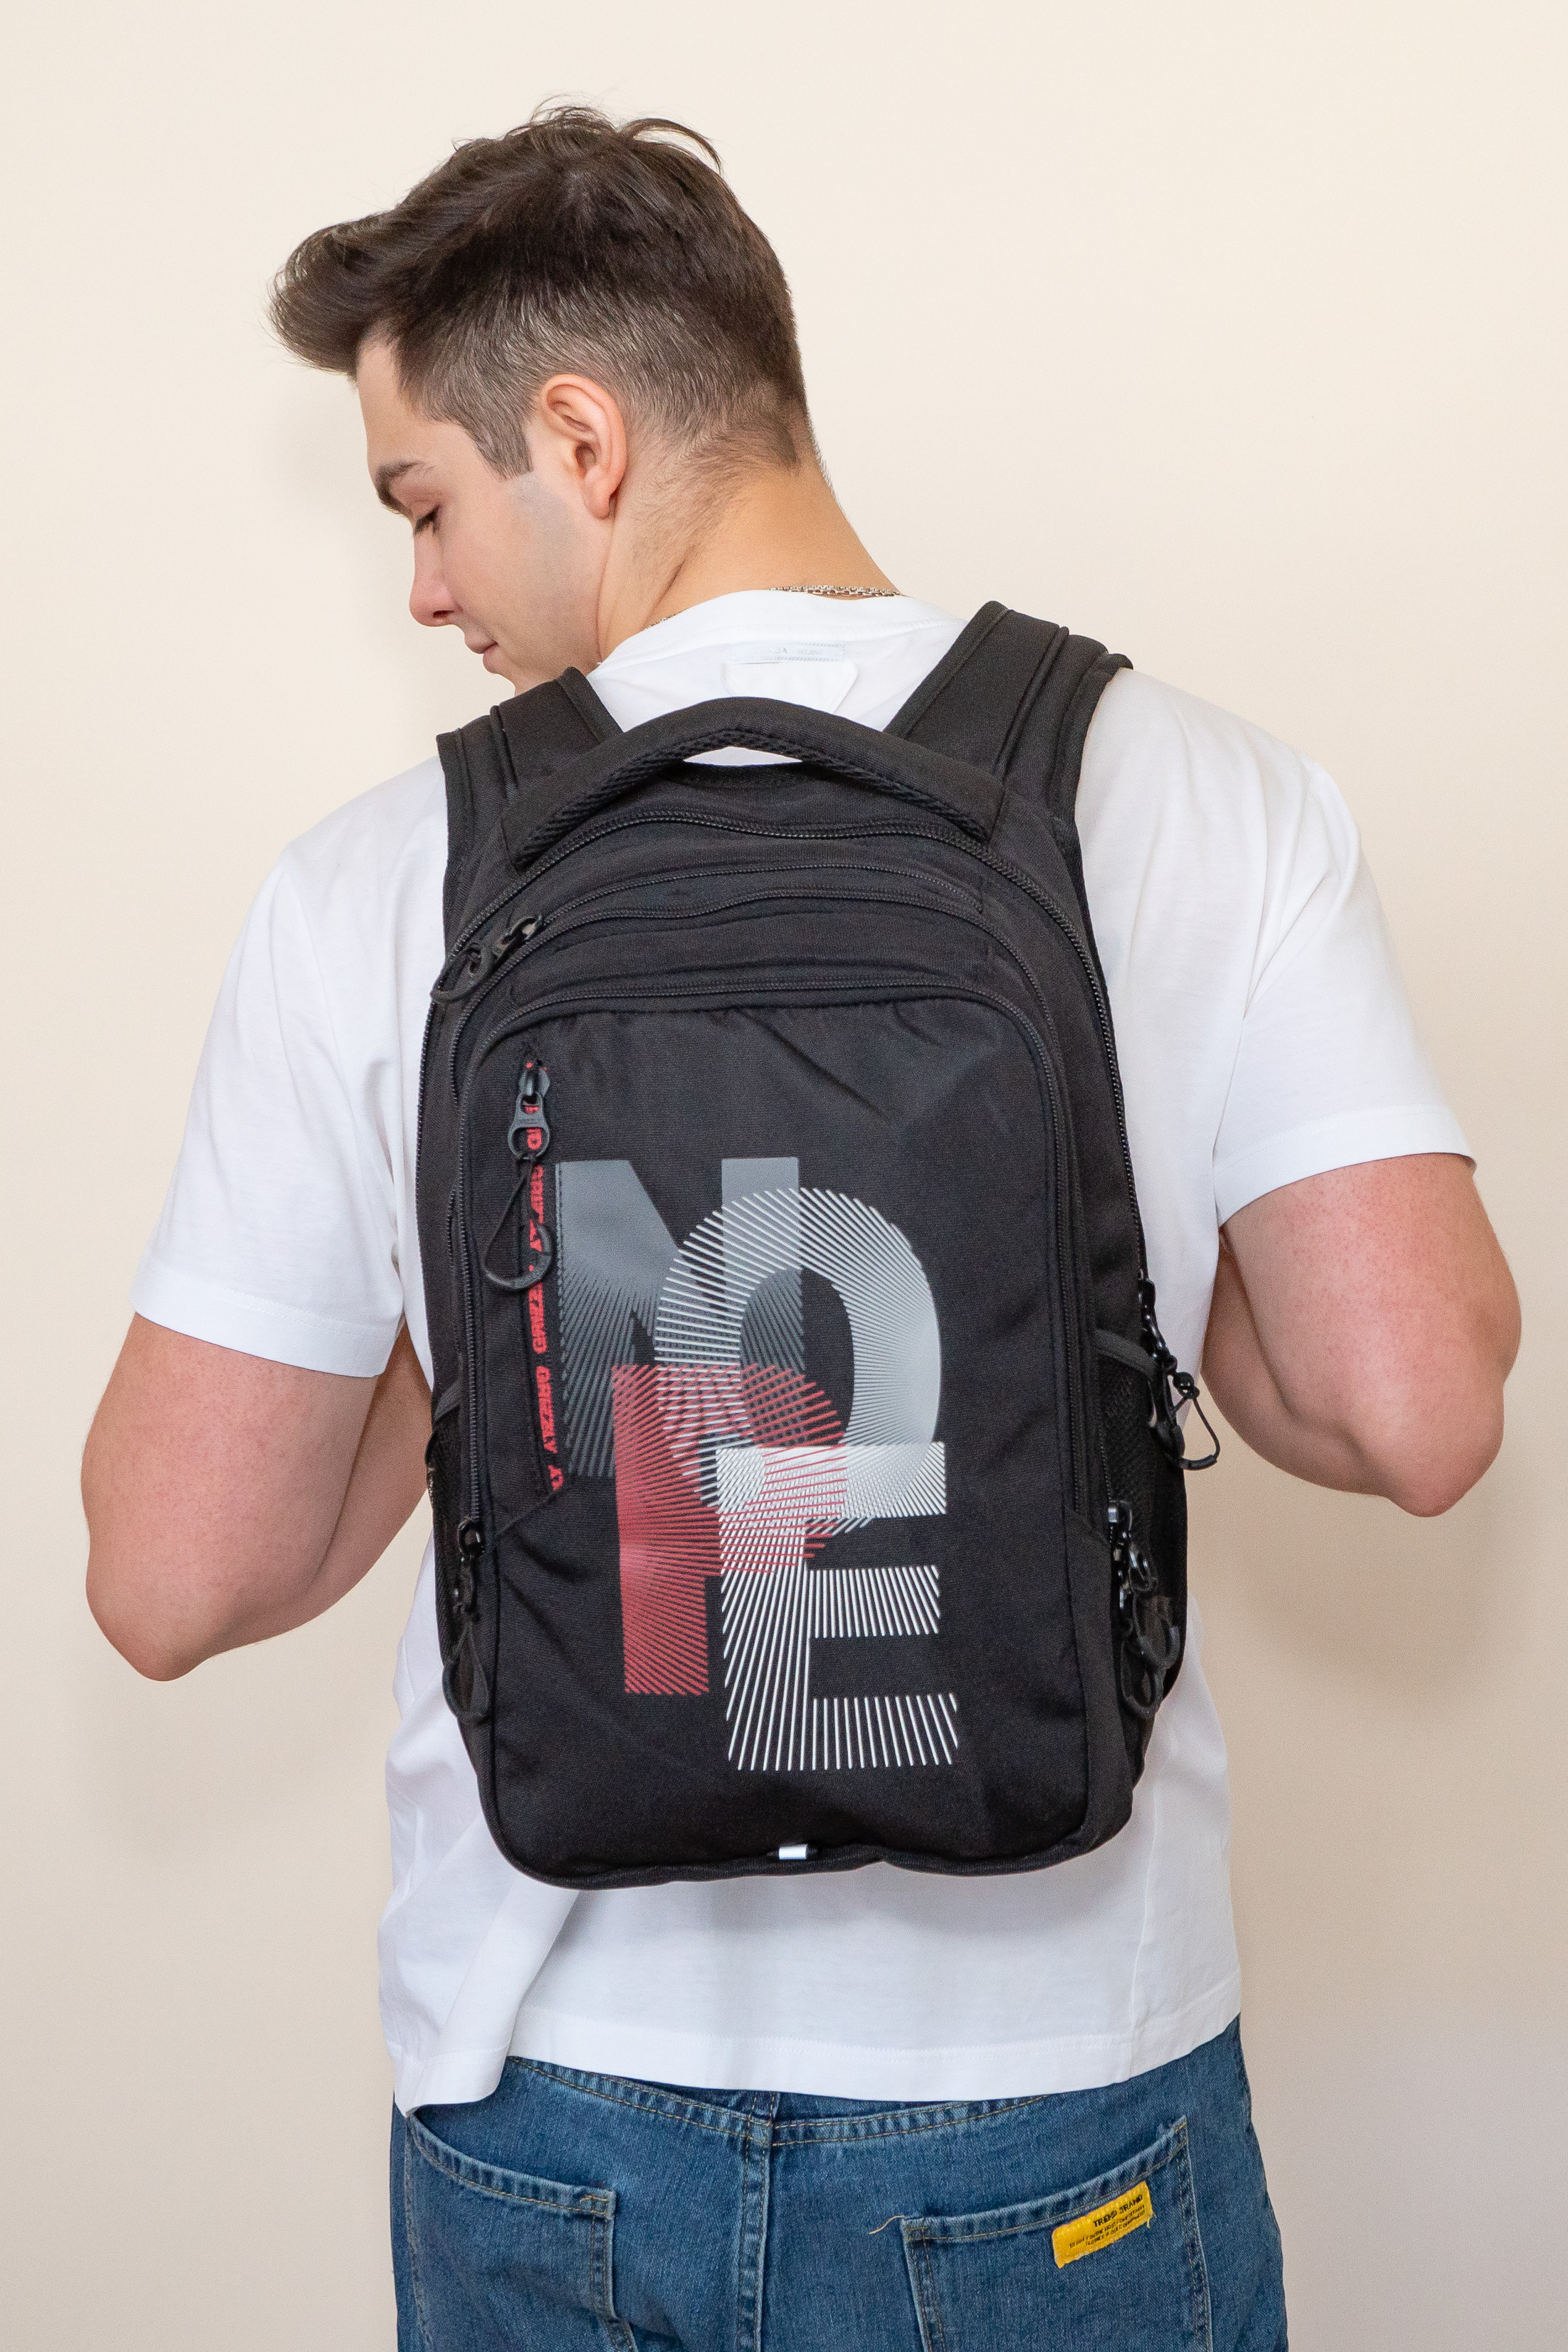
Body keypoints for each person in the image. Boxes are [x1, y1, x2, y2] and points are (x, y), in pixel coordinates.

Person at [82, 108, 1519, 2351]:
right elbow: (1409, 1412)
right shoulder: (1195, 794)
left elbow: (177, 1577)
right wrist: (1144, 1257)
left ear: (580, 438)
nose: (426, 591)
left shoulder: (379, 883)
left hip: (556, 2111)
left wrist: (478, 1302)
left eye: (423, 503)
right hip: (1058, 2094)